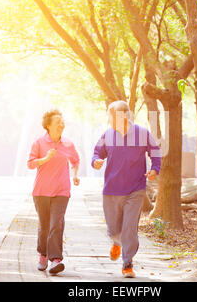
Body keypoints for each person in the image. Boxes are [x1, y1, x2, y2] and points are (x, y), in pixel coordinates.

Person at [91, 101, 161, 278]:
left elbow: (155, 151)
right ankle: (116, 241)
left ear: (122, 115)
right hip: (112, 190)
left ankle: (127, 263)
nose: (109, 119)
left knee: (129, 228)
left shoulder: (142, 133)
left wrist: (154, 169)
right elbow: (97, 153)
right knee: (114, 229)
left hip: (135, 189)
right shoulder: (107, 135)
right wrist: (96, 161)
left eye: (111, 115)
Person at [27, 109, 80, 275]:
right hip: (41, 191)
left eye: (62, 121)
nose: (61, 124)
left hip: (62, 190)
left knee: (56, 224)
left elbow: (75, 161)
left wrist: (75, 175)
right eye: (58, 122)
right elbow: (30, 163)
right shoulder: (39, 143)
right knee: (44, 226)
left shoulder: (68, 144)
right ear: (48, 126)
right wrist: (45, 159)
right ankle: (43, 254)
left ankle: (55, 260)